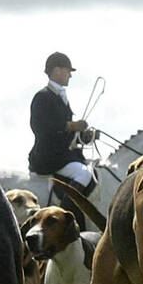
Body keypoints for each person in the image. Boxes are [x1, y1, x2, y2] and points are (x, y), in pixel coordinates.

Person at [29, 52, 98, 221]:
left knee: (94, 168)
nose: (71, 75)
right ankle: (62, 217)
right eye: (68, 71)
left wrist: (84, 135)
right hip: (49, 156)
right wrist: (70, 125)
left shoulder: (61, 96)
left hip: (65, 155)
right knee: (85, 174)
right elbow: (39, 127)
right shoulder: (42, 96)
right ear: (57, 70)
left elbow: (68, 133)